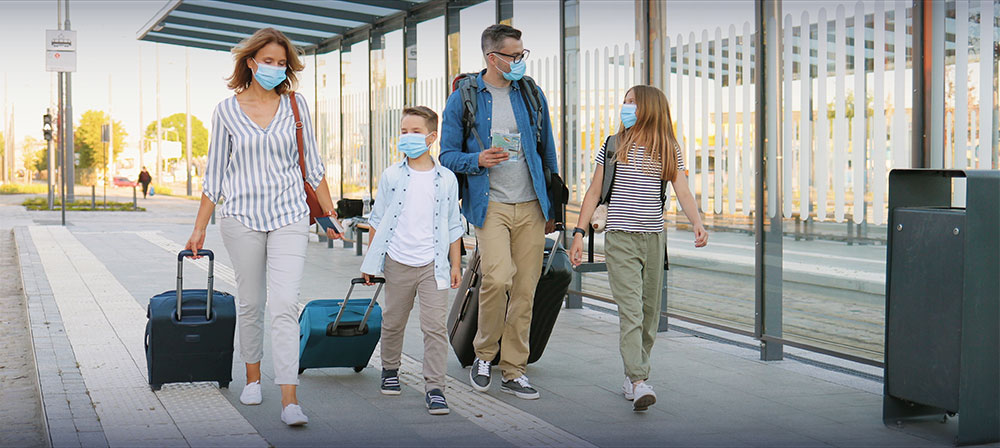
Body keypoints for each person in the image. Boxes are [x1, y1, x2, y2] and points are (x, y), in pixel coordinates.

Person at [184, 27, 341, 427]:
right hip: (241, 217)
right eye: (267, 61)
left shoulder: (296, 105)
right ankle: (252, 376)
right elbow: (214, 175)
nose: (274, 67)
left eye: (281, 62)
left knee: (285, 304)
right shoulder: (226, 110)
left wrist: (329, 214)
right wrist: (199, 229)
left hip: (289, 214)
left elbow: (314, 166)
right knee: (251, 302)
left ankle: (290, 399)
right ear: (250, 62)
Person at [439, 24, 559, 400]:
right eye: (514, 55)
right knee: (498, 279)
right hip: (490, 205)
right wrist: (478, 159)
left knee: (525, 288)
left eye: (523, 54)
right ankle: (483, 355)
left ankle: (514, 369)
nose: (521, 60)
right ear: (493, 58)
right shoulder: (465, 97)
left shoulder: (531, 93)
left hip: (532, 206)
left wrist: (553, 206)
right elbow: (445, 156)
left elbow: (547, 151)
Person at [569, 86, 708, 411]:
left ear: (649, 108)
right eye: (625, 101)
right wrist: (578, 233)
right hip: (620, 238)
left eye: (632, 102)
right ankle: (638, 378)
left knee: (648, 313)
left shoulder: (668, 147)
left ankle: (634, 374)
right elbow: (593, 191)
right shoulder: (614, 145)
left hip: (653, 239)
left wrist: (697, 222)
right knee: (630, 311)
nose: (625, 107)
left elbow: (683, 190)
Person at [360, 106, 463, 416]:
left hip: (433, 264)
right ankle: (390, 370)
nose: (407, 136)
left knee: (434, 328)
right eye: (404, 131)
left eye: (415, 132)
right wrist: (371, 263)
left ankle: (435, 388)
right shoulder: (392, 175)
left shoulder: (446, 179)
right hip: (397, 261)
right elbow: (377, 220)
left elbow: (454, 224)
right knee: (393, 321)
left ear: (431, 137)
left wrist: (456, 264)